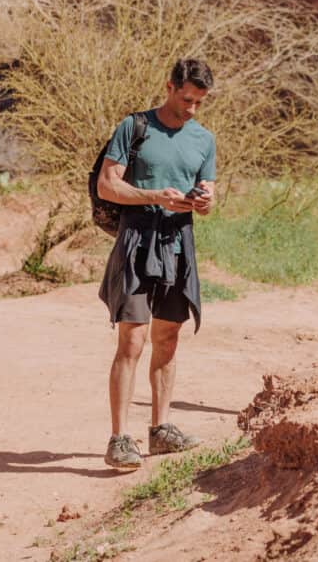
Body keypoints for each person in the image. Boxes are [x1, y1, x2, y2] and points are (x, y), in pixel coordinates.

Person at [96, 58, 216, 470]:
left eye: (199, 102)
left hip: (178, 242)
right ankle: (119, 438)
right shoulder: (135, 126)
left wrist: (204, 201)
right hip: (136, 239)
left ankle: (161, 430)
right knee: (132, 340)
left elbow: (207, 198)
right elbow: (107, 185)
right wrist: (153, 196)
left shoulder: (204, 139)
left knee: (169, 339)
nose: (192, 109)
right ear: (169, 87)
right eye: (186, 99)